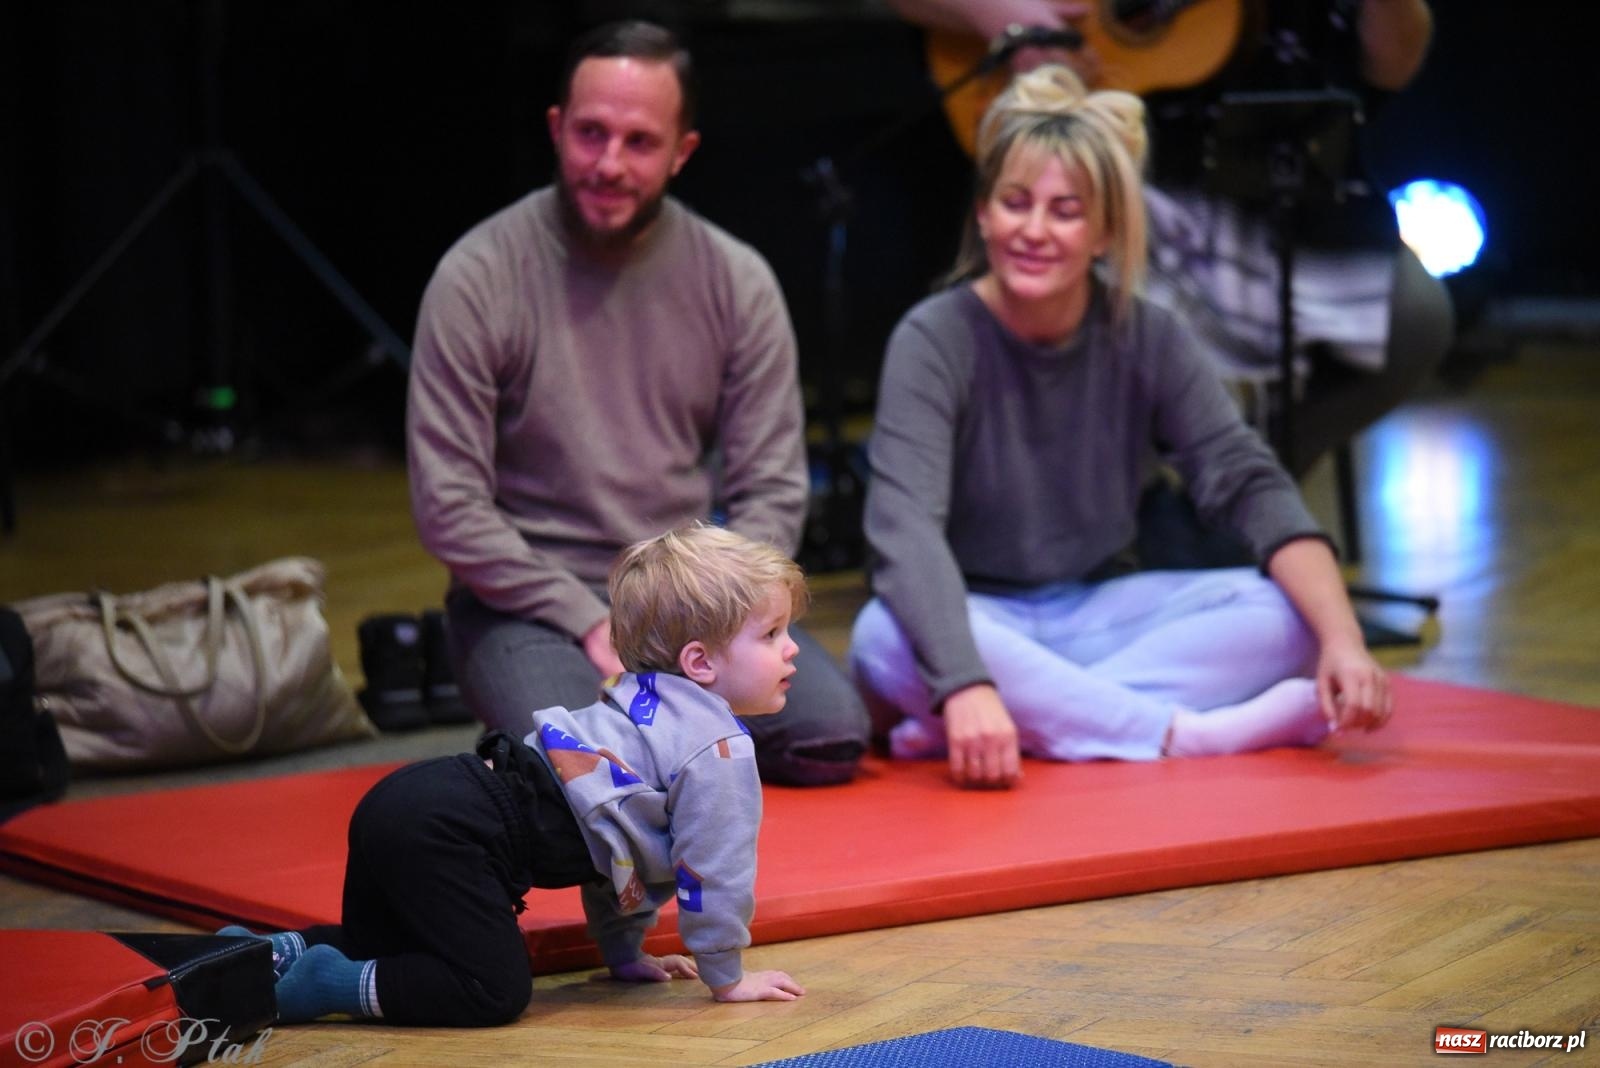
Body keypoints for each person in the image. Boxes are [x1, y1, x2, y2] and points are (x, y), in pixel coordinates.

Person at [848, 64, 1393, 791]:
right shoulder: (934, 337)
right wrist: (968, 681)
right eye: (1015, 203)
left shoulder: (1148, 335)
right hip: (975, 616)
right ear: (983, 214)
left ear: (1106, 232)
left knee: (1293, 619)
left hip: (1095, 609)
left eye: (1065, 211)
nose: (1034, 230)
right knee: (881, 636)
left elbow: (1248, 480)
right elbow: (904, 532)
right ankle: (1178, 734)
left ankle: (1040, 719)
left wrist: (1345, 640)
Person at [405, 20, 868, 787]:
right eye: (590, 135)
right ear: (556, 130)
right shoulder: (479, 275)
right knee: (584, 769)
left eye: (639, 143)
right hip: (533, 605)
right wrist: (590, 620)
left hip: (691, 605)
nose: (609, 163)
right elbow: (449, 505)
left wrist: (713, 619)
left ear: (682, 151)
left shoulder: (734, 278)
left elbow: (773, 488)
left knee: (830, 735)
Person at [222, 524, 810, 1025]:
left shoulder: (636, 701)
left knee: (397, 949)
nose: (792, 650)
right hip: (453, 834)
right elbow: (713, 873)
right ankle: (328, 986)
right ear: (700, 662)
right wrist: (726, 975)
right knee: (492, 989)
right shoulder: (719, 748)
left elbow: (615, 846)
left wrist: (623, 950)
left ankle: (268, 956)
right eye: (771, 634)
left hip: (409, 800)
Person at [889, 0, 1453, 479]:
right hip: (1112, 176)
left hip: (1285, 192)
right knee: (1092, 306)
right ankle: (1120, 520)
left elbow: (1391, 66)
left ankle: (1231, 505)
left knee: (1416, 321)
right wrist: (1014, 17)